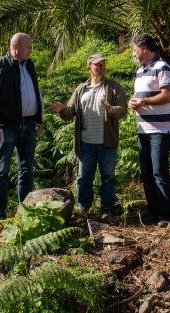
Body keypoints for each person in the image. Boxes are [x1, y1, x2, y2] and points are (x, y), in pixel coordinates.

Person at [50, 54, 128, 217]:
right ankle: (83, 208)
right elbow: (70, 112)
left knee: (108, 177)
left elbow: (123, 110)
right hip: (86, 142)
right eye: (98, 65)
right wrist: (62, 110)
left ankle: (107, 208)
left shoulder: (113, 87)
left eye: (104, 65)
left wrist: (112, 110)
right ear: (89, 67)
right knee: (84, 177)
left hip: (107, 142)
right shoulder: (80, 89)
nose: (102, 67)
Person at [0, 32, 44, 220]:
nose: (31, 50)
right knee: (2, 171)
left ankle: (24, 213)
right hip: (7, 127)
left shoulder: (30, 65)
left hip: (28, 125)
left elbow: (36, 92)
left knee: (26, 170)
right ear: (16, 47)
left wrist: (39, 119)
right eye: (28, 47)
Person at [128, 33, 170, 226]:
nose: (133, 53)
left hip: (160, 130)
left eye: (134, 50)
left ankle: (167, 215)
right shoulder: (140, 71)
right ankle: (153, 213)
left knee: (159, 172)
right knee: (147, 173)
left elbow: (167, 95)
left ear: (144, 49)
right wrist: (133, 101)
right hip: (143, 130)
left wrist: (145, 101)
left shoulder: (162, 67)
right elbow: (137, 95)